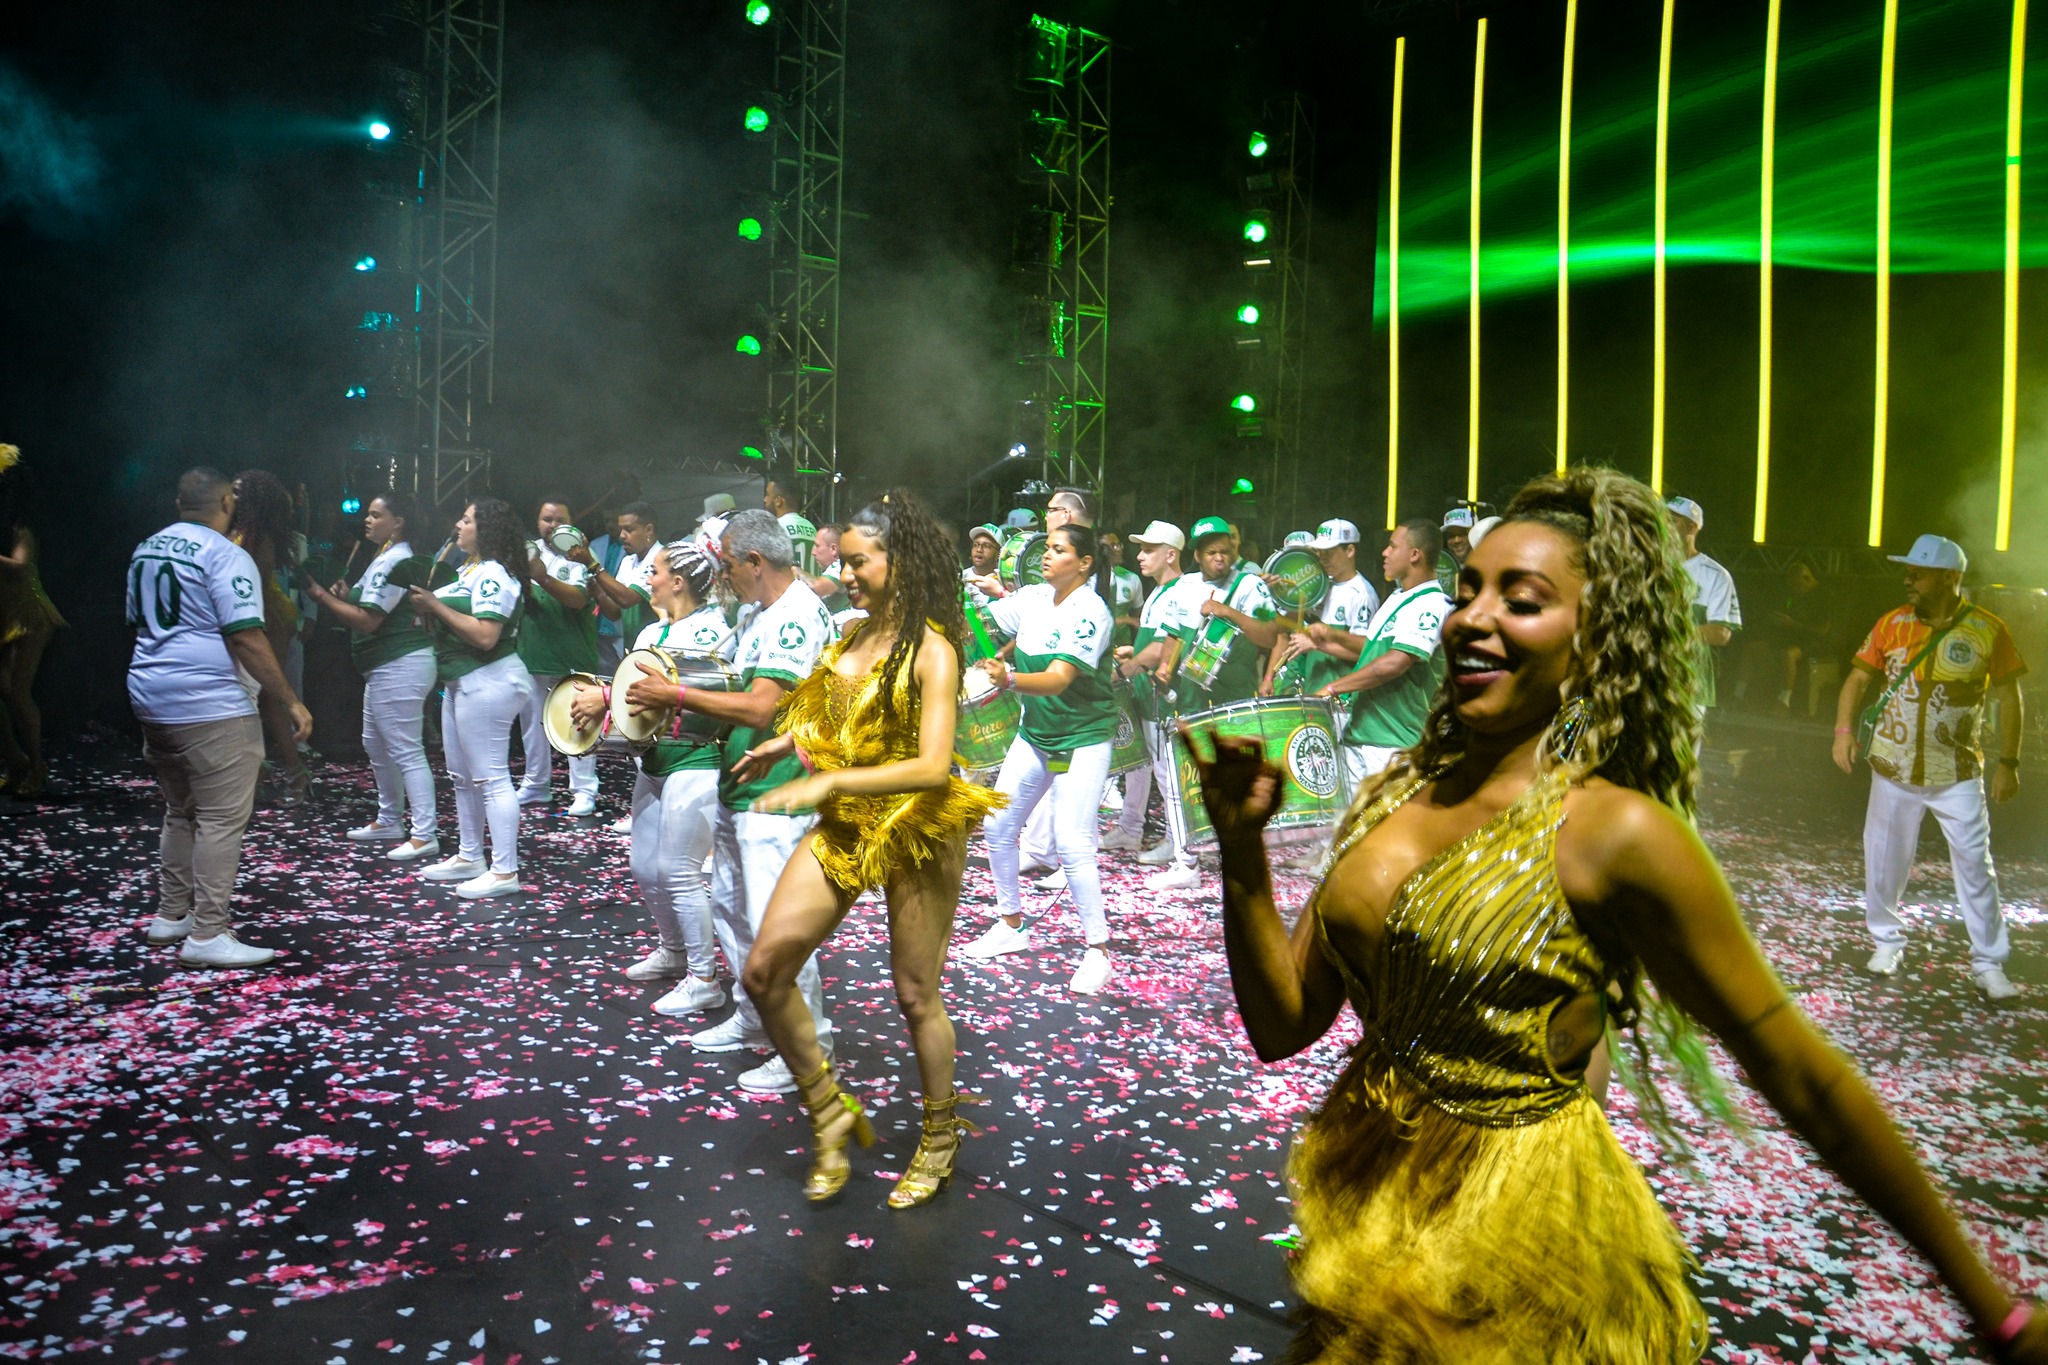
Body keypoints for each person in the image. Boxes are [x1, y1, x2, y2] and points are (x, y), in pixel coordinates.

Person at [1187, 467, 2048, 1365]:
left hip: (1515, 1248)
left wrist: (1998, 1310)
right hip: (1369, 1209)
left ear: (1595, 636)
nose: (1473, 617)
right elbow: (1284, 1024)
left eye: (1520, 599)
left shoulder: (1618, 832)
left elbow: (1806, 1080)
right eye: (1468, 590)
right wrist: (1243, 855)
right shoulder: (1393, 794)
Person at [734, 491, 1005, 1205]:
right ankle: (829, 1110)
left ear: (900, 560)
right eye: (842, 561)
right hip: (850, 821)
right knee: (764, 972)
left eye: (858, 562)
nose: (845, 573)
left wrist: (826, 784)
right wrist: (781, 744)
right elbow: (832, 711)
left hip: (920, 824)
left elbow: (929, 762)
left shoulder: (933, 650)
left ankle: (941, 1134)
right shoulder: (848, 638)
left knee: (916, 994)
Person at [680, 509, 838, 1095]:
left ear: (754, 561)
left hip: (778, 793)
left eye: (724, 562)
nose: (719, 573)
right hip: (741, 783)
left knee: (781, 927)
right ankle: (756, 1017)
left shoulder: (796, 615)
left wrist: (672, 694)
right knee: (731, 908)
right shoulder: (756, 611)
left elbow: (760, 708)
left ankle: (807, 1049)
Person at [130, 467, 313, 967]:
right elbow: (246, 636)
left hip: (150, 694)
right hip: (209, 704)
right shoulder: (225, 554)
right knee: (220, 820)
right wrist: (290, 699)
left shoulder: (147, 548)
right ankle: (208, 933)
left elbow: (136, 620)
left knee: (178, 809)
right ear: (227, 501)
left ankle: (172, 915)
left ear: (178, 503)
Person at [1832, 534, 2024, 1007]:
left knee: (1977, 867)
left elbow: (2008, 696)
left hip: (1957, 772)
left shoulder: (1987, 629)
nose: (1908, 579)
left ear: (1949, 577)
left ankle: (1989, 964)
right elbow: (1857, 678)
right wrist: (1842, 732)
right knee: (1884, 859)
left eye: (1918, 573)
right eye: (1909, 572)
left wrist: (2009, 763)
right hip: (1892, 768)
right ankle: (1886, 943)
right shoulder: (1892, 624)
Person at [568, 539, 734, 1013]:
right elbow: (633, 699)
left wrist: (607, 695)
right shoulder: (650, 633)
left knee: (677, 871)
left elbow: (669, 692)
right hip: (655, 761)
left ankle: (704, 978)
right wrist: (602, 698)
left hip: (697, 760)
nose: (648, 579)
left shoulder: (713, 632)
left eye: (655, 571)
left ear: (677, 583)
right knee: (644, 866)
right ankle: (674, 951)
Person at [959, 524, 1120, 993]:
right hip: (1036, 734)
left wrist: (1007, 679)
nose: (1046, 556)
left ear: (1085, 562)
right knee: (998, 826)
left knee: (1072, 843)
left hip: (1082, 738)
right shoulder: (1032, 597)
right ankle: (1011, 926)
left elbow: (1058, 678)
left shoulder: (1092, 612)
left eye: (1058, 550)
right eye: (1047, 548)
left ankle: (1098, 952)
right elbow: (984, 618)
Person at [303, 492, 440, 862]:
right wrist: (345, 596)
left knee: (405, 749)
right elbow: (365, 605)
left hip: (401, 663)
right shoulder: (384, 557)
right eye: (368, 514)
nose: (367, 520)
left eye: (376, 515)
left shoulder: (396, 559)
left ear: (398, 523)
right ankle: (389, 819)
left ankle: (424, 833)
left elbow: (369, 620)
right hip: (385, 666)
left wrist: (321, 597)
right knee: (376, 744)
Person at [407, 498, 530, 900]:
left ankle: (504, 871)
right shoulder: (468, 569)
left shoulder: (495, 572)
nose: (457, 526)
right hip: (462, 679)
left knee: (491, 778)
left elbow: (485, 635)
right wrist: (429, 613)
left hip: (490, 678)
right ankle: (469, 855)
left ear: (488, 529)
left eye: (467, 520)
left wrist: (436, 605)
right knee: (461, 776)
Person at [1320, 519, 1452, 788]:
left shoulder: (1432, 604)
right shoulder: (1398, 597)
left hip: (1393, 743)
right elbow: (1372, 652)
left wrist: (1333, 688)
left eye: (1393, 546)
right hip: (1359, 733)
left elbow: (1395, 663)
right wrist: (1332, 636)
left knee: (1384, 825)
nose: (1385, 552)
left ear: (1415, 555)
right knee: (1354, 826)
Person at [1109, 521, 1196, 863]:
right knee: (1140, 764)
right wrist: (1134, 653)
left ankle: (1178, 844)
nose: (1140, 556)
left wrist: (1125, 669)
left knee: (1167, 772)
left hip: (1163, 695)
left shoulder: (1180, 590)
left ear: (1170, 554)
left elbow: (1165, 647)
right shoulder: (1159, 591)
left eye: (1149, 550)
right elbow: (1152, 641)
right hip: (1146, 693)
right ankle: (1131, 828)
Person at [514, 495, 602, 817]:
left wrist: (542, 577)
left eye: (559, 520)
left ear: (572, 522)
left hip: (572, 653)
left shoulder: (580, 554)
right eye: (546, 519)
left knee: (578, 723)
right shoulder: (525, 553)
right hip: (531, 653)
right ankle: (537, 784)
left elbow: (579, 600)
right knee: (532, 725)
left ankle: (584, 789)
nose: (552, 526)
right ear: (537, 522)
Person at [229, 470, 312, 806]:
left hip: (269, 616)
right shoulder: (239, 532)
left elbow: (258, 592)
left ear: (253, 500)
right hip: (257, 615)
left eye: (237, 491)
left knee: (263, 694)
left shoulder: (259, 539)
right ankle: (270, 773)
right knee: (260, 696)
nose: (229, 496)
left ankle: (290, 775)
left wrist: (249, 634)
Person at [0, 444, 63, 799]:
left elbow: (21, 566)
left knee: (18, 692)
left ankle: (36, 765)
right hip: (4, 613)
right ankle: (15, 760)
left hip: (26, 615)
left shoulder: (22, 526)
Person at [1265, 517, 1381, 700]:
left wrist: (1317, 645)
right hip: (1315, 691)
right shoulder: (1320, 587)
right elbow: (1283, 626)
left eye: (1330, 552)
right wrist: (1274, 593)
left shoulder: (1362, 595)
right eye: (1320, 551)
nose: (1323, 558)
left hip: (1341, 698)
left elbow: (1366, 652)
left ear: (1350, 550)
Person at [1666, 495, 1741, 716]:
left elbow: (1721, 633)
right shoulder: (1648, 567)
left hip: (1689, 686)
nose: (1665, 526)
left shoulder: (1715, 575)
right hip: (1645, 682)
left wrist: (1669, 635)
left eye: (1673, 520)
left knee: (1681, 752)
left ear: (1691, 528)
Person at [576, 501, 664, 650]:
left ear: (648, 530)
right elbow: (614, 612)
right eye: (621, 529)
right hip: (632, 647)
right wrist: (599, 592)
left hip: (657, 647)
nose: (622, 535)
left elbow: (627, 599)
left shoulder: (661, 559)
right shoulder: (628, 561)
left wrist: (592, 564)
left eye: (629, 529)